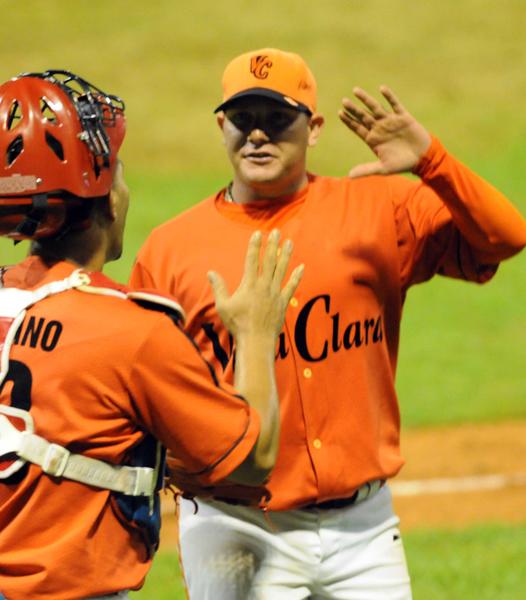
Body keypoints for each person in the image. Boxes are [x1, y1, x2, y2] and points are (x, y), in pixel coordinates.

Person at [130, 47, 526, 600]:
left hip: (363, 529)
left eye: (277, 119)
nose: (258, 135)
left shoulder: (378, 209)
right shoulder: (170, 250)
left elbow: (506, 237)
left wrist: (431, 162)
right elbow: (146, 392)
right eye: (243, 120)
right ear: (221, 126)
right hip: (234, 529)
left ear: (313, 128)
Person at [0, 70, 303, 600]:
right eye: (118, 172)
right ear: (108, 201)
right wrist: (255, 333)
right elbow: (249, 462)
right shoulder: (130, 332)